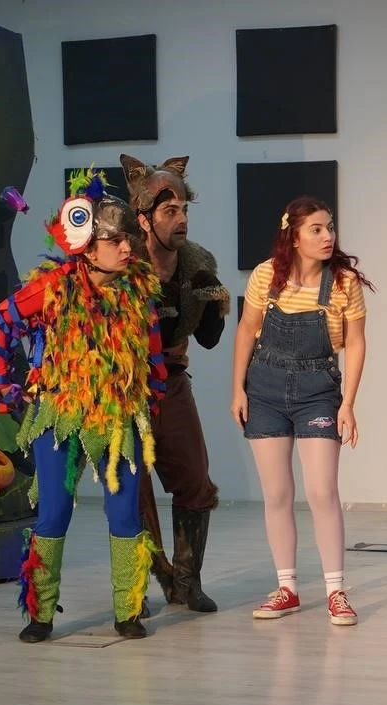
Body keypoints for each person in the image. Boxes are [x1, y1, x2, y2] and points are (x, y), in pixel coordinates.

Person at [0, 169, 168, 642]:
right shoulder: (54, 287)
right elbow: (1, 321)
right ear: (88, 246)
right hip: (60, 414)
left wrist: (154, 398)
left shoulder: (138, 290)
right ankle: (40, 614)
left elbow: (152, 353)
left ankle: (128, 611)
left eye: (128, 239)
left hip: (118, 417)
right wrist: (3, 386)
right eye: (115, 240)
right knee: (53, 512)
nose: (126, 248)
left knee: (125, 514)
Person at [230, 196, 372, 626]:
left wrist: (348, 403)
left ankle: (336, 591)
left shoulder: (344, 282)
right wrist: (237, 389)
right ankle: (287, 588)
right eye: (317, 229)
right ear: (293, 236)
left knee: (322, 491)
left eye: (330, 227)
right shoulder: (265, 275)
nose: (328, 236)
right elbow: (247, 330)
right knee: (277, 494)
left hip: (318, 390)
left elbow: (356, 343)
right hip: (265, 388)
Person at [120, 153, 230, 613]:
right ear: (144, 219)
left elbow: (208, 340)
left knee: (195, 481)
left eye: (184, 209)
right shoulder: (122, 262)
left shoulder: (196, 261)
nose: (181, 219)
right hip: (125, 387)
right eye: (170, 211)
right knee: (131, 491)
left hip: (172, 381)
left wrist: (212, 302)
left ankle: (187, 582)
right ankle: (143, 583)